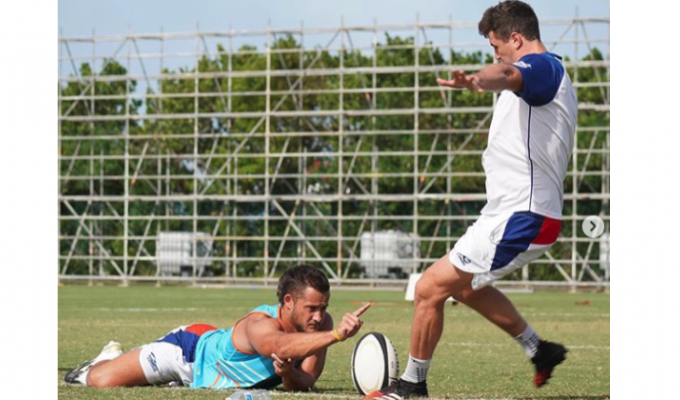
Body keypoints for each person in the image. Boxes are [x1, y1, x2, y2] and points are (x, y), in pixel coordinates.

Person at [366, 1, 577, 398]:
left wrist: (481, 79)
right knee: (464, 287)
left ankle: (412, 386)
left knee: (429, 288)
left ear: (516, 38)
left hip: (522, 216)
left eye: (496, 45)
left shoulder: (544, 68)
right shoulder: (543, 78)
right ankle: (540, 349)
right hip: (514, 214)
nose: (494, 54)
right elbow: (509, 72)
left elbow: (508, 72)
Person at [64, 265, 371, 391]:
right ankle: (106, 357)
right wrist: (334, 336)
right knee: (98, 382)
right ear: (288, 302)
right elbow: (278, 346)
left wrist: (288, 373)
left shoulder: (319, 326)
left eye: (325, 308)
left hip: (216, 350)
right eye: (312, 308)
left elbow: (305, 382)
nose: (320, 316)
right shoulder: (260, 325)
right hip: (186, 351)